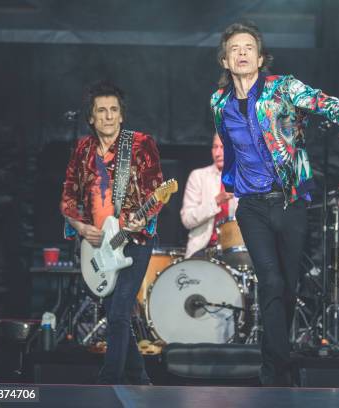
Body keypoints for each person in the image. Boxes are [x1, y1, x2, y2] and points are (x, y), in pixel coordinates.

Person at [210, 22, 339, 386]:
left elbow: (321, 101)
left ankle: (279, 358)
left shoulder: (281, 88)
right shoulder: (219, 102)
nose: (243, 52)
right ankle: (275, 372)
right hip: (251, 205)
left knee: (288, 285)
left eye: (249, 47)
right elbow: (229, 146)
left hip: (289, 202)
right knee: (269, 281)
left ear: (261, 57)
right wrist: (232, 182)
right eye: (236, 48)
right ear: (225, 59)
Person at [60, 80, 164, 385]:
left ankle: (108, 383)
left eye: (113, 110)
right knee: (118, 316)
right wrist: (81, 226)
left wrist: (140, 220)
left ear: (121, 115)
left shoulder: (141, 143)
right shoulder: (82, 148)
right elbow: (68, 193)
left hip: (133, 241)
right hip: (98, 245)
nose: (108, 116)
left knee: (118, 314)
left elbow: (157, 190)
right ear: (91, 118)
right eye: (101, 111)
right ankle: (140, 378)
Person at [181, 133, 238, 258]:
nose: (217, 153)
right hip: (203, 249)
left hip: (235, 251)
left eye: (222, 147)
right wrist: (216, 201)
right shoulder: (198, 176)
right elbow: (187, 220)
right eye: (214, 147)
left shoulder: (244, 178)